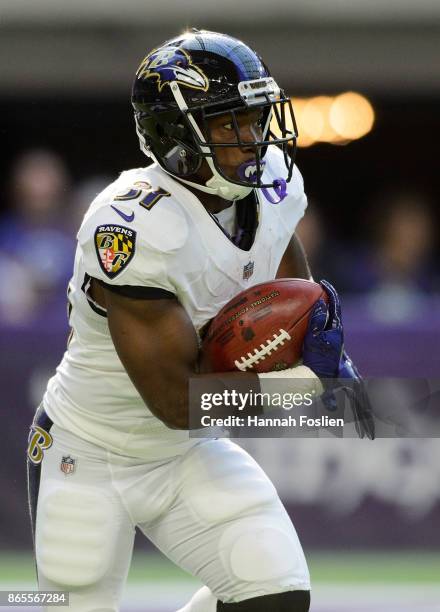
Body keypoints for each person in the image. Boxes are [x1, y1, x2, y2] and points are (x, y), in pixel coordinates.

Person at [27, 29, 373, 612]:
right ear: (174, 136)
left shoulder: (275, 187)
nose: (252, 138)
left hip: (183, 452)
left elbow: (291, 296)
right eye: (228, 123)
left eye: (255, 118)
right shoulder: (133, 225)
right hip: (90, 450)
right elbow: (176, 401)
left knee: (276, 595)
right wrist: (305, 390)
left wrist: (323, 350)